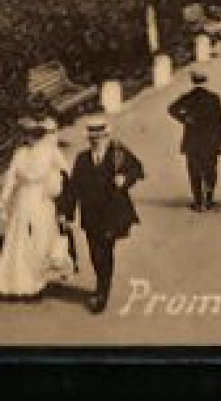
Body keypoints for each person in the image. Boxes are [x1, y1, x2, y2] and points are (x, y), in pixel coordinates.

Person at [60, 117, 144, 313]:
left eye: (100, 137)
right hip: (90, 215)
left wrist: (125, 179)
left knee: (104, 251)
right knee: (94, 254)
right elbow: (73, 188)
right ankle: (101, 283)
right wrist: (67, 213)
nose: (96, 141)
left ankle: (102, 293)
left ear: (107, 136)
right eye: (92, 138)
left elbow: (137, 169)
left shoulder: (117, 154)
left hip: (111, 214)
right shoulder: (82, 159)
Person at [0, 118, 71, 300]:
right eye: (27, 135)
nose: (31, 138)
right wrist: (3, 200)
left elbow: (66, 173)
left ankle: (37, 282)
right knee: (20, 240)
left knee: (40, 240)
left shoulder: (50, 152)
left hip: (43, 200)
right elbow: (11, 177)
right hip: (23, 200)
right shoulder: (20, 154)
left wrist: (57, 190)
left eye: (34, 135)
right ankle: (17, 283)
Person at [167, 68, 221, 211]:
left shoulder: (187, 97)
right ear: (205, 80)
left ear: (193, 81)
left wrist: (184, 118)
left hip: (192, 140)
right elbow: (220, 121)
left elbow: (171, 109)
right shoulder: (214, 98)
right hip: (211, 141)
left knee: (194, 170)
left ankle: (198, 201)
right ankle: (210, 199)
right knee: (210, 169)